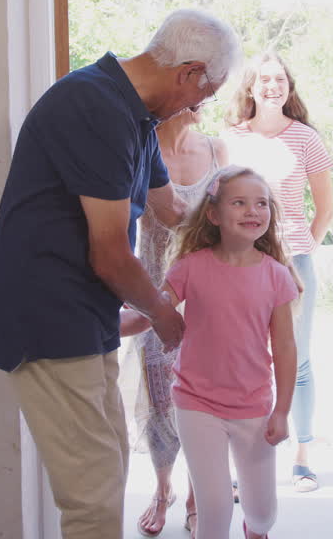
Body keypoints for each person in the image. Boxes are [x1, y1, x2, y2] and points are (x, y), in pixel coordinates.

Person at [0, 9, 242, 539]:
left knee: (112, 460)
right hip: (45, 312)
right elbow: (111, 254)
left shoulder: (138, 116)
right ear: (188, 72)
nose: (198, 106)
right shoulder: (95, 106)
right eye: (204, 93)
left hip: (83, 308)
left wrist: (238, 205)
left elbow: (171, 209)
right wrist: (163, 315)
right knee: (92, 492)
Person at [122, 166, 299, 539]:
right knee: (214, 509)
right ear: (215, 215)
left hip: (253, 405)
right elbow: (154, 311)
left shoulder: (276, 276)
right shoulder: (190, 267)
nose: (253, 211)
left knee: (263, 512)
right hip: (195, 402)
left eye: (261, 204)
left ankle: (257, 529)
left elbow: (284, 348)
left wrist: (282, 410)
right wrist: (112, 324)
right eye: (240, 202)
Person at [222, 52, 333, 492]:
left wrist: (298, 250)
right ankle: (240, 464)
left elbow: (324, 210)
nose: (273, 86)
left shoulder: (306, 138)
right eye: (264, 79)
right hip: (239, 264)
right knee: (240, 361)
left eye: (280, 79)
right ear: (250, 87)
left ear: (290, 88)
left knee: (298, 360)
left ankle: (302, 457)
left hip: (293, 264)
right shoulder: (229, 139)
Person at [129, 104, 227, 537]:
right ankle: (162, 486)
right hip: (153, 292)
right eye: (199, 92)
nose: (205, 101)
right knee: (158, 399)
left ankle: (195, 494)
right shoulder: (140, 150)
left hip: (210, 296)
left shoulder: (218, 150)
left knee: (204, 400)